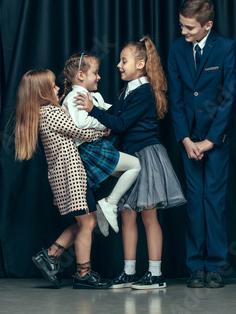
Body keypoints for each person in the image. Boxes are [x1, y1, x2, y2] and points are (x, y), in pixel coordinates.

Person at [75, 36, 186, 290]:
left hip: (146, 156)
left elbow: (123, 123)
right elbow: (121, 125)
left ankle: (156, 275)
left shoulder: (144, 92)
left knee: (148, 216)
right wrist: (107, 131)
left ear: (141, 64)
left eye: (124, 61)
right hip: (132, 155)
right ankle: (129, 272)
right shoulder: (127, 91)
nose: (118, 65)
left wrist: (93, 109)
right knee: (127, 216)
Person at [14, 69, 111, 289]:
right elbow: (80, 132)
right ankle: (82, 274)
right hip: (71, 174)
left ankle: (50, 255)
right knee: (88, 221)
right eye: (53, 85)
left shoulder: (43, 113)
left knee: (86, 221)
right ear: (42, 91)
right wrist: (103, 130)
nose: (58, 88)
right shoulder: (50, 112)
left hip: (65, 175)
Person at [167, 0, 236, 288]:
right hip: (189, 141)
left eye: (190, 28)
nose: (183, 32)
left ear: (207, 25)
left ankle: (216, 266)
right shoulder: (176, 49)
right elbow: (177, 98)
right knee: (194, 203)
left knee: (214, 202)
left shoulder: (226, 48)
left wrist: (210, 140)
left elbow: (230, 97)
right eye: (181, 26)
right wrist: (185, 139)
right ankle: (196, 266)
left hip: (215, 142)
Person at [61, 52, 141, 235]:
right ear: (81, 76)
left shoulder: (89, 95)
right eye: (95, 73)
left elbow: (105, 112)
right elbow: (80, 123)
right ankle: (109, 203)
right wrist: (102, 123)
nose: (99, 77)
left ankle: (105, 210)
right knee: (135, 165)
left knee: (128, 173)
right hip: (89, 150)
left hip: (94, 148)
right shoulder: (76, 96)